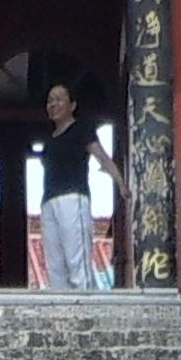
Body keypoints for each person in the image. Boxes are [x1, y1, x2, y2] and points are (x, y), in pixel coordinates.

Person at [32, 83, 115, 290]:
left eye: (59, 99)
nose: (53, 104)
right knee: (55, 264)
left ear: (72, 104)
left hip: (73, 197)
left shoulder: (82, 129)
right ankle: (60, 308)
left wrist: (121, 183)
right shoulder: (49, 138)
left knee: (76, 258)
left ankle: (86, 307)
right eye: (50, 100)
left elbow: (102, 157)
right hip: (49, 201)